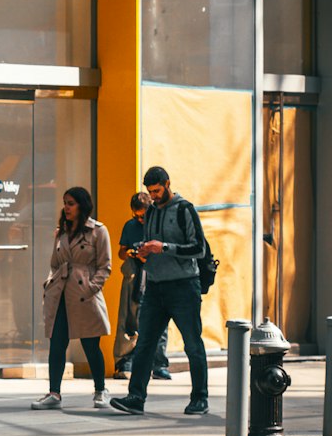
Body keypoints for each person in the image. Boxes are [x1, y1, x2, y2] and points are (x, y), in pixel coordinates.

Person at [110, 166, 210, 417]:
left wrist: (163, 247)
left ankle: (200, 398)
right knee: (144, 344)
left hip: (184, 285)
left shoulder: (185, 209)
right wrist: (144, 249)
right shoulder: (151, 212)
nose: (153, 196)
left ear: (167, 183)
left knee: (192, 344)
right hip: (154, 285)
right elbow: (151, 243)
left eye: (157, 190)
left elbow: (199, 248)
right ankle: (136, 397)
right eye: (150, 192)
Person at [30, 186, 112, 411]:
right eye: (65, 202)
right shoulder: (61, 232)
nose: (66, 207)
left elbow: (105, 266)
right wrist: (49, 284)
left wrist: (91, 287)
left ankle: (100, 390)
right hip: (60, 293)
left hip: (84, 295)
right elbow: (54, 263)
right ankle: (54, 393)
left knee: (90, 344)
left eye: (71, 203)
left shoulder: (98, 231)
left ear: (82, 205)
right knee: (57, 344)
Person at [114, 191, 171, 381]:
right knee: (130, 318)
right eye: (135, 215)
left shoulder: (159, 224)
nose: (139, 219)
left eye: (142, 215)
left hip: (156, 274)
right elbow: (121, 252)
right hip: (134, 274)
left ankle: (159, 364)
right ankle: (126, 361)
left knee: (159, 319)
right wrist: (131, 252)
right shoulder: (130, 226)